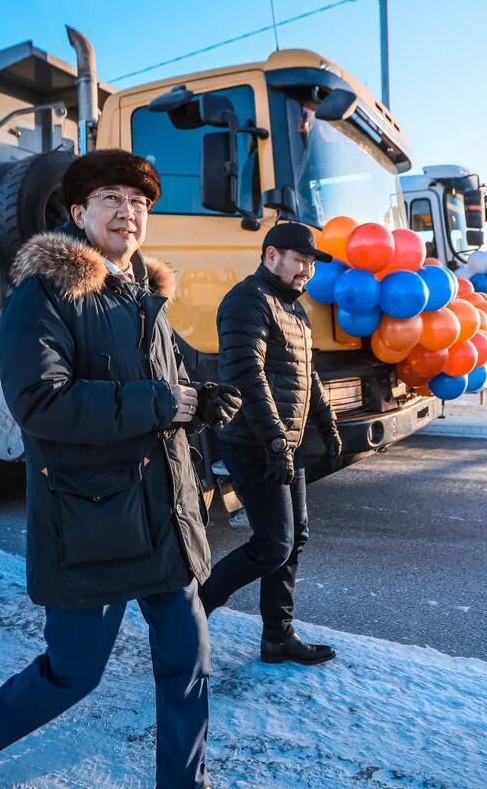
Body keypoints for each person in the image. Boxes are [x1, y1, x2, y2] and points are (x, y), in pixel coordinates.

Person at [0, 149, 240, 789]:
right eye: (111, 199)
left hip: (165, 515)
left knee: (187, 667)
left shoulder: (147, 298)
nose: (128, 213)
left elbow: (173, 381)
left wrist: (203, 398)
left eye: (139, 204)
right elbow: (38, 402)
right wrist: (162, 403)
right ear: (78, 213)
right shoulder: (44, 293)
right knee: (73, 674)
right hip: (91, 521)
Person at [199, 222, 342, 665]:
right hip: (252, 441)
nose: (307, 271)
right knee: (273, 544)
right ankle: (191, 612)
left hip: (285, 441)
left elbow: (306, 374)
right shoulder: (247, 301)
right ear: (271, 256)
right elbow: (247, 375)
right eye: (301, 260)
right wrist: (276, 441)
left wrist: (327, 421)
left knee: (295, 538)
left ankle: (277, 638)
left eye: (312, 264)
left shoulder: (294, 311)